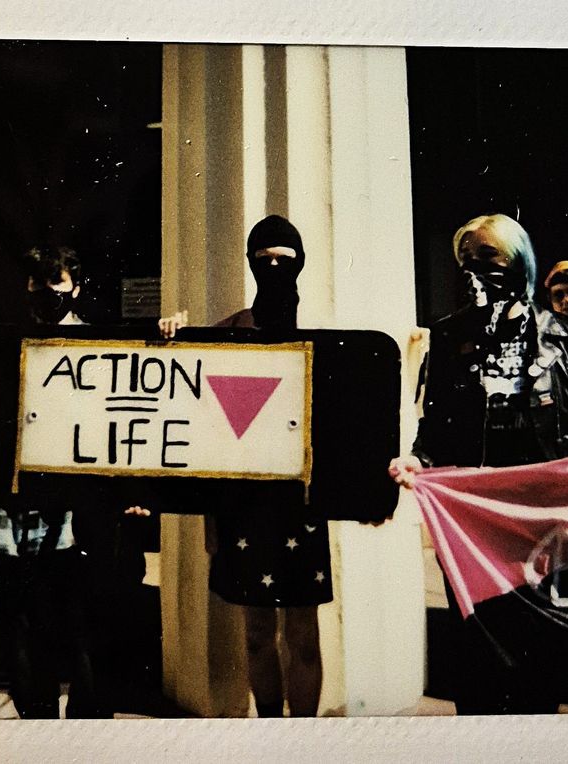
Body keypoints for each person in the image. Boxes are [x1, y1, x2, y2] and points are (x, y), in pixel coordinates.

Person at [389, 213, 568, 714]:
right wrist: (417, 460)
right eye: (466, 261)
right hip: (474, 526)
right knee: (480, 653)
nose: (475, 271)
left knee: (541, 656)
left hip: (541, 526)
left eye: (489, 258)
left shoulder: (559, 337)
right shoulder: (449, 337)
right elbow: (437, 427)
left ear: (519, 263)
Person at [0, 244, 177, 718]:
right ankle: (36, 725)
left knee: (85, 622)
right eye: (37, 286)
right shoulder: (2, 345)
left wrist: (166, 334)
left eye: (56, 287)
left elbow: (135, 411)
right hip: (21, 512)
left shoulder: (101, 344)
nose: (46, 295)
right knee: (23, 621)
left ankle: (86, 732)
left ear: (75, 288)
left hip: (85, 513)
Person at [169, 215, 331, 718]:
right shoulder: (230, 331)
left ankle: (303, 738)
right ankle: (269, 730)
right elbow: (193, 408)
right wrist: (171, 332)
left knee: (303, 630)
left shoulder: (323, 336)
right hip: (243, 505)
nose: (276, 269)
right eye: (265, 262)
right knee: (258, 632)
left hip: (301, 503)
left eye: (286, 260)